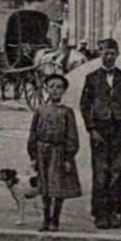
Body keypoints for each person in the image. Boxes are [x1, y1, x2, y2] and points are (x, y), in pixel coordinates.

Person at [79, 37, 121, 229]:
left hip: (119, 128)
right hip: (100, 129)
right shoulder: (92, 78)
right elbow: (85, 106)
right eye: (105, 54)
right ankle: (100, 213)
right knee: (100, 171)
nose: (109, 57)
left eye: (113, 54)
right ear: (99, 55)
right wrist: (92, 129)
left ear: (117, 55)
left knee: (116, 170)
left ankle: (115, 212)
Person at [27, 74, 81, 232]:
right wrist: (33, 156)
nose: (55, 90)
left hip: (59, 152)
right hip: (42, 151)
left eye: (59, 87)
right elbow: (33, 134)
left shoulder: (67, 112)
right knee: (44, 186)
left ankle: (55, 219)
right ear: (47, 89)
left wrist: (68, 158)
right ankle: (45, 219)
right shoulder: (40, 110)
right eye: (52, 87)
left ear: (64, 91)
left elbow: (72, 136)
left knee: (58, 186)